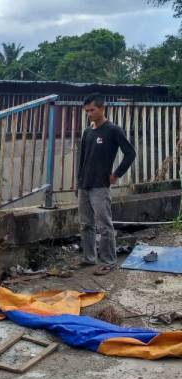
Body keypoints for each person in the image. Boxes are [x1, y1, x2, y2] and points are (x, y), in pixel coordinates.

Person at [77, 93, 136, 275]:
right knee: (85, 224)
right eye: (86, 111)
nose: (89, 114)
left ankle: (109, 261)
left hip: (100, 185)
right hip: (84, 186)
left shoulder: (113, 130)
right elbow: (82, 160)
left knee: (104, 225)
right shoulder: (87, 132)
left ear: (102, 108)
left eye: (92, 110)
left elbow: (130, 153)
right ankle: (89, 258)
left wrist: (116, 174)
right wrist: (77, 183)